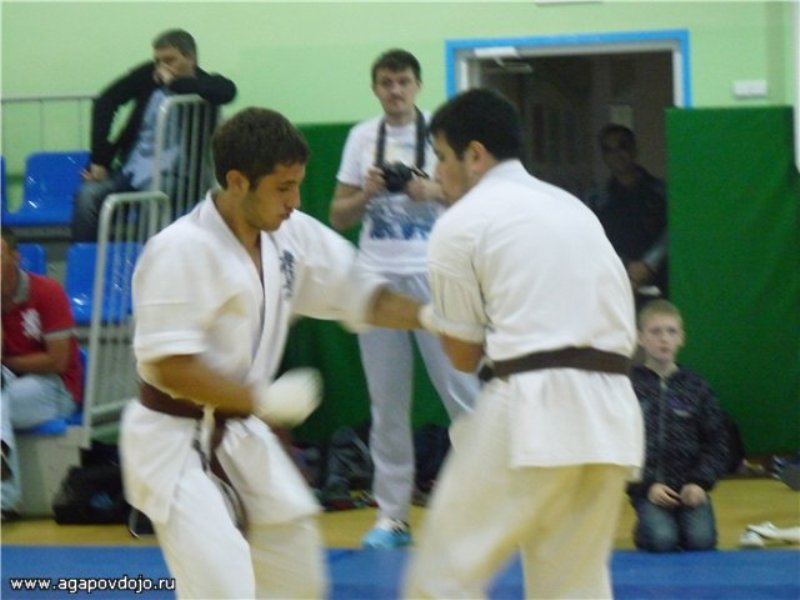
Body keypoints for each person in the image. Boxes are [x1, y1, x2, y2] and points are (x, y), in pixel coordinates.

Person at [119, 106, 432, 599]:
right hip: (174, 441)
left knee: (296, 572)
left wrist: (436, 317)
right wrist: (260, 398)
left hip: (242, 435)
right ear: (237, 181)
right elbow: (169, 366)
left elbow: (365, 295)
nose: (295, 200)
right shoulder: (180, 248)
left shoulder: (292, 235)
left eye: (298, 185)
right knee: (222, 584)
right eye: (283, 187)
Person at [403, 88, 644, 599]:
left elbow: (462, 355)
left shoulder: (460, 224)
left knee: (444, 573)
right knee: (574, 586)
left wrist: (435, 317)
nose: (437, 172)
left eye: (441, 157)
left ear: (474, 155)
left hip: (533, 409)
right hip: (612, 414)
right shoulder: (573, 208)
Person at [329, 48, 478, 549]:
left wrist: (432, 191)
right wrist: (367, 193)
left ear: (418, 85)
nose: (395, 91)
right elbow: (338, 217)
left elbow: (476, 200)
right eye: (387, 83)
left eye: (403, 82)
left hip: (435, 276)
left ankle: (485, 507)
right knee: (386, 404)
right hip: (376, 281)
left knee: (464, 394)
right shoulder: (360, 137)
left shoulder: (442, 133)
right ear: (376, 87)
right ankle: (391, 516)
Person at [71, 28, 236, 241]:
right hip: (133, 169)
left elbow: (227, 91)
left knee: (152, 199)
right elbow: (106, 101)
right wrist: (99, 161)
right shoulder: (148, 76)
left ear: (191, 58)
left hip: (178, 175)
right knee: (87, 196)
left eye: (170, 60)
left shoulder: (205, 84)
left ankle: (149, 256)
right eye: (158, 61)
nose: (162, 67)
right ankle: (87, 258)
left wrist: (174, 83)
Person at [627, 299, 730, 552]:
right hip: (649, 489)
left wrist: (699, 482)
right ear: (641, 338)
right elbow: (618, 444)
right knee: (662, 540)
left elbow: (718, 442)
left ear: (681, 338)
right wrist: (646, 485)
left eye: (671, 331)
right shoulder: (628, 387)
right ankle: (647, 526)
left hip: (689, 489)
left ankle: (677, 520)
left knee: (701, 541)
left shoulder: (696, 386)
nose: (664, 339)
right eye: (655, 332)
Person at [1, 228, 83, 519]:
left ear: (15, 257)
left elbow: (58, 361)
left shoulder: (47, 292)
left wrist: (8, 363)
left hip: (57, 388)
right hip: (11, 385)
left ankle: (5, 498)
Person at [585, 123, 668, 308]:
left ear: (634, 149)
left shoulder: (662, 192)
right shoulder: (597, 199)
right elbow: (594, 240)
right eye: (609, 150)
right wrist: (627, 267)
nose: (616, 154)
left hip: (662, 282)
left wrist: (649, 264)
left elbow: (673, 232)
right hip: (618, 285)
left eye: (622, 146)